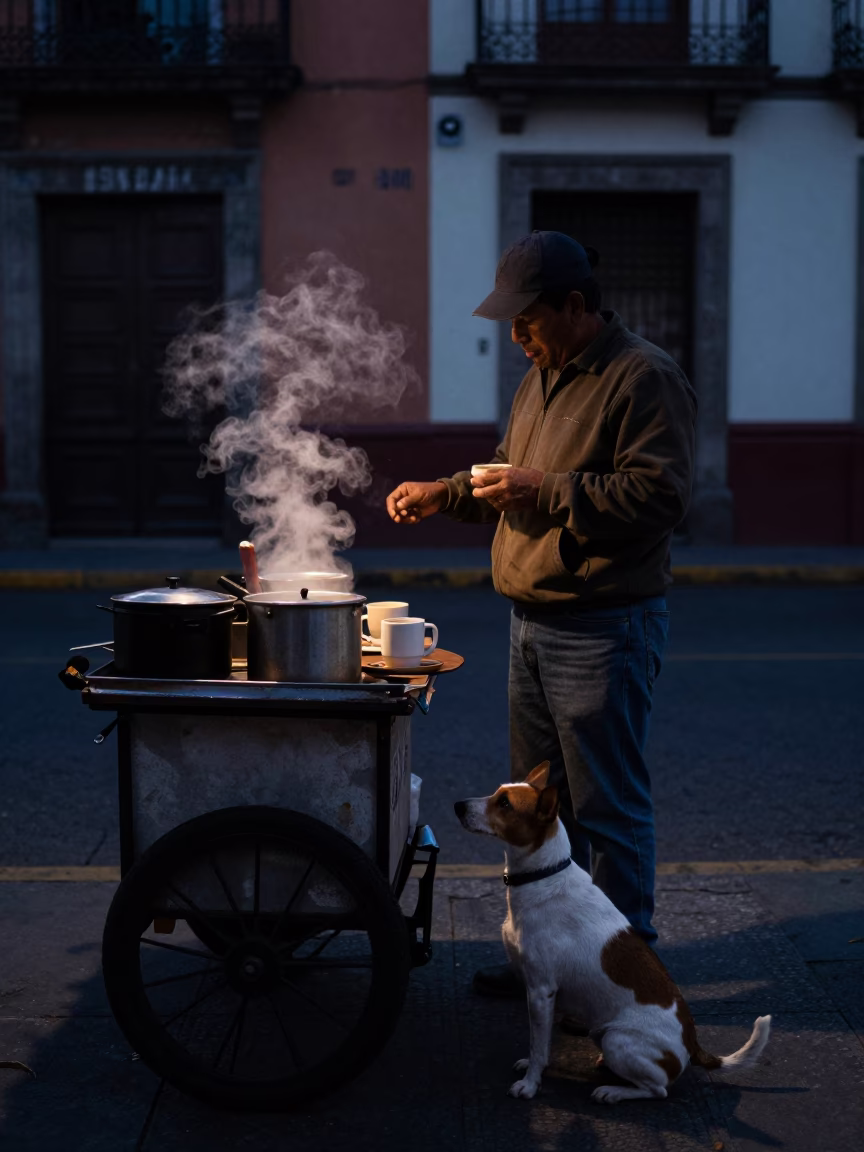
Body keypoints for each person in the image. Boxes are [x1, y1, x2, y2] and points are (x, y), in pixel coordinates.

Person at [386, 230, 696, 997]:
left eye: (528, 319)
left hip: (602, 629)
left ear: (576, 305)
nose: (517, 335)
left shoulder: (641, 377)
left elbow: (659, 498)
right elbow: (506, 474)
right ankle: (547, 960)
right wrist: (445, 491)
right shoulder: (544, 375)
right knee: (538, 811)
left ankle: (625, 982)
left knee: (606, 812)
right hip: (532, 625)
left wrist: (545, 490)